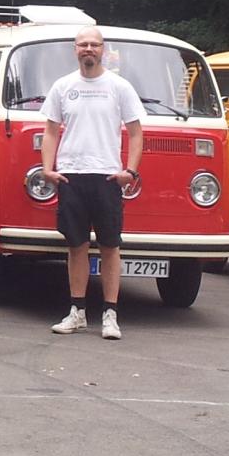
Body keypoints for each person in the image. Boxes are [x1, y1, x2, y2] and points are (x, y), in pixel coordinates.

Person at [40, 26, 145, 340]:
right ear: (75, 49)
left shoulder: (119, 86)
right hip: (71, 175)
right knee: (76, 247)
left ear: (103, 49)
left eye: (94, 45)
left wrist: (130, 171)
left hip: (107, 176)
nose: (88, 49)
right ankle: (77, 312)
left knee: (110, 246)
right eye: (83, 44)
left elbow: (136, 132)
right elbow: (50, 131)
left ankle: (110, 315)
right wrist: (47, 169)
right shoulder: (63, 86)